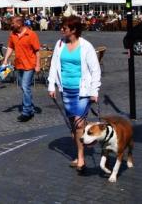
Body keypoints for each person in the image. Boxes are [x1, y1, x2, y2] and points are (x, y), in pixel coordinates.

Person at [47, 15, 101, 174]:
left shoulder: (86, 46)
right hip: (66, 90)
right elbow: (54, 65)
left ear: (74, 30)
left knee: (78, 124)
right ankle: (80, 150)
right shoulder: (59, 44)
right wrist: (51, 85)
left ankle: (81, 157)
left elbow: (95, 70)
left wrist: (94, 91)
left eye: (64, 28)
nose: (61, 30)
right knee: (73, 126)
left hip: (82, 91)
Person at [2, 16, 41, 122]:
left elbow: (37, 51)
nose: (11, 25)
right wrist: (6, 59)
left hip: (29, 65)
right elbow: (10, 47)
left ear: (19, 24)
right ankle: (30, 109)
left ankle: (26, 112)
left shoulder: (31, 34)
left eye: (12, 23)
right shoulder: (13, 34)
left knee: (25, 86)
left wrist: (38, 65)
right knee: (24, 88)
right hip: (19, 65)